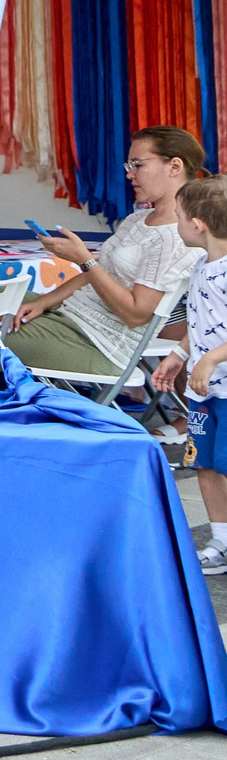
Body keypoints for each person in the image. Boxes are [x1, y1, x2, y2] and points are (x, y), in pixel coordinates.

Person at [0, 126, 207, 382]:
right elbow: (97, 273)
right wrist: (44, 302)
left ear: (174, 166)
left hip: (96, 342)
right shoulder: (138, 219)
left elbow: (135, 316)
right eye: (129, 166)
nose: (130, 175)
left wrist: (85, 260)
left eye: (137, 165)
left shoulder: (177, 237)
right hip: (71, 316)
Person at [169, 176, 227, 577]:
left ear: (199, 223)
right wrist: (179, 354)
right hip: (203, 392)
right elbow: (201, 322)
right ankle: (221, 540)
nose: (177, 224)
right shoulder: (202, 267)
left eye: (178, 217)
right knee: (204, 464)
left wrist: (210, 361)